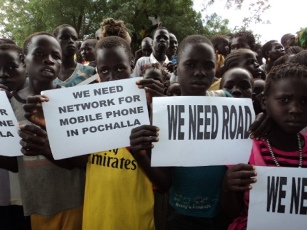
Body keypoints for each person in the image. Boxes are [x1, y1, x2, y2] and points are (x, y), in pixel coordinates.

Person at [20, 36, 164, 230]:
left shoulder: (149, 112)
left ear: (131, 65)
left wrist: (157, 112)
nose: (112, 77)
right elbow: (81, 163)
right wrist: (50, 131)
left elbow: (164, 184)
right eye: (104, 70)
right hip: (95, 219)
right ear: (97, 71)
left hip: (137, 220)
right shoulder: (91, 114)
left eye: (120, 68)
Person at [130, 35, 232, 230]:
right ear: (178, 69)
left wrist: (265, 120)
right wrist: (140, 155)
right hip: (181, 217)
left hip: (223, 213)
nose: (200, 72)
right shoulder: (164, 114)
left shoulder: (226, 103)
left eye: (209, 66)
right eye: (191, 64)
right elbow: (165, 183)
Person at [222, 63, 307, 230]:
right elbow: (233, 212)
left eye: (305, 101)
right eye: (284, 100)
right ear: (264, 102)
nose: (296, 109)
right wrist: (227, 186)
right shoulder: (244, 150)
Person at [14, 32, 85, 230]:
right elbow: (12, 162)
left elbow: (81, 162)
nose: (48, 59)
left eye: (56, 56)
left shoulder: (73, 102)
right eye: (39, 53)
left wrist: (47, 147)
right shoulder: (9, 105)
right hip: (36, 202)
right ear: (23, 59)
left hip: (74, 200)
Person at [0, 42, 31, 230]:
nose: (3, 74)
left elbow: (16, 163)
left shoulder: (35, 103)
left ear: (24, 66)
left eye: (11, 67)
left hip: (27, 199)